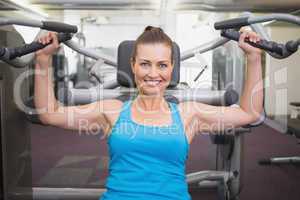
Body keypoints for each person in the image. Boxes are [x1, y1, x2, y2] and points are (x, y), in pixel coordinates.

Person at [34, 26, 263, 200]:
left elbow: (249, 113)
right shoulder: (111, 110)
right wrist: (43, 60)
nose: (153, 73)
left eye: (162, 65)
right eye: (145, 64)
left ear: (172, 68)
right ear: (132, 65)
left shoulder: (188, 114)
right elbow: (49, 114)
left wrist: (253, 58)